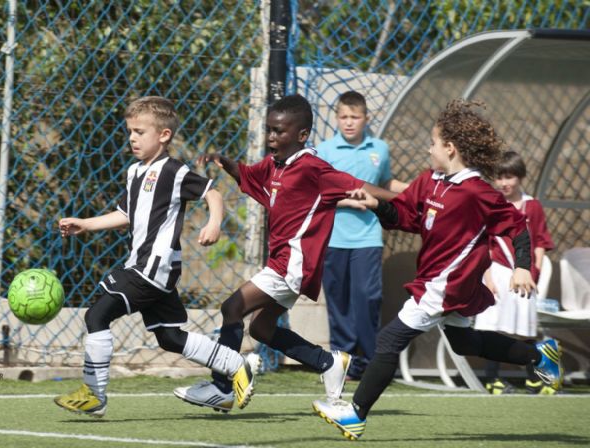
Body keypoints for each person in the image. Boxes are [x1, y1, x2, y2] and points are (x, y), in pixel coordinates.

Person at [312, 99, 564, 441]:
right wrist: (376, 205)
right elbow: (407, 218)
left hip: (447, 284)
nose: (427, 148)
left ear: (450, 147)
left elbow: (518, 227)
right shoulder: (430, 181)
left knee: (388, 340)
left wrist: (522, 268)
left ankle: (355, 414)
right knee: (463, 342)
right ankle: (538, 353)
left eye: (432, 142)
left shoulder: (476, 190)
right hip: (437, 280)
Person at [173, 94, 397, 411]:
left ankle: (222, 387)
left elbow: (360, 185)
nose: (272, 137)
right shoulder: (275, 165)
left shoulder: (313, 169)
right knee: (261, 328)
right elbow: (249, 175)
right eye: (269, 130)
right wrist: (224, 162)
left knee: (232, 308)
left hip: (292, 265)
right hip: (286, 265)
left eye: (280, 131)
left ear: (302, 135)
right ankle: (327, 363)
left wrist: (405, 204)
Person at [53, 96, 259, 417]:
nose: (132, 138)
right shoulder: (135, 172)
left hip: (153, 267)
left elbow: (212, 193)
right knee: (169, 337)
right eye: (129, 131)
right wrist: (86, 224)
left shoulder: (174, 171)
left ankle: (94, 393)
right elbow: (126, 213)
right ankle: (236, 365)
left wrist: (214, 222)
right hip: (146, 267)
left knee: (97, 315)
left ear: (163, 135)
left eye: (139, 131)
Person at [316, 91, 408, 380]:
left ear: (366, 119)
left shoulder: (379, 148)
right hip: (333, 239)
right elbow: (318, 192)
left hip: (367, 238)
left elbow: (384, 182)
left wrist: (415, 190)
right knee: (339, 302)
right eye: (343, 116)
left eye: (355, 117)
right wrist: (347, 201)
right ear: (336, 119)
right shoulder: (326, 150)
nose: (349, 122)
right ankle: (343, 363)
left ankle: (370, 362)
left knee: (367, 298)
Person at [474, 151, 555, 394]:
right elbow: (484, 244)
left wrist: (535, 271)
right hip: (497, 272)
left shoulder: (532, 206)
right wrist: (487, 278)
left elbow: (540, 242)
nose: (504, 183)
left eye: (509, 177)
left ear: (520, 177)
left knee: (525, 328)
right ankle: (492, 380)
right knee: (494, 326)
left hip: (524, 275)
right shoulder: (491, 205)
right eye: (499, 177)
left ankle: (534, 379)